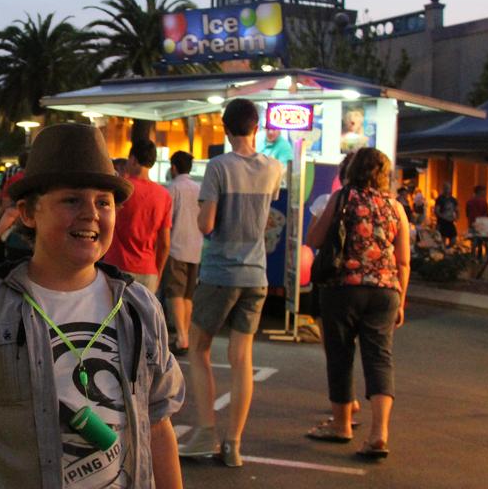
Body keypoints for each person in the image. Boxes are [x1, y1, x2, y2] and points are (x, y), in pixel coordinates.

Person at [0, 122, 184, 489]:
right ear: (28, 213)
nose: (91, 213)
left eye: (103, 202)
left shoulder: (139, 306)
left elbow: (157, 423)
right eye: (72, 199)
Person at [180, 98, 284, 468]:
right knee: (242, 359)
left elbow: (206, 224)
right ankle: (234, 444)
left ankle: (206, 430)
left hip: (221, 271)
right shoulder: (274, 168)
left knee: (199, 347)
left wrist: (201, 212)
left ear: (226, 129)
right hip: (257, 274)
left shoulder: (219, 167)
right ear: (256, 127)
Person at [303, 148, 410, 460]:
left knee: (341, 356)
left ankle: (342, 425)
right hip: (386, 292)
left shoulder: (342, 198)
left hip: (343, 288)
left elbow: (315, 238)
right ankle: (379, 434)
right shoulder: (396, 207)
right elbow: (403, 262)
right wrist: (401, 300)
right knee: (380, 358)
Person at [103, 139, 172, 293]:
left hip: (116, 266)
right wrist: (157, 272)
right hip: (148, 271)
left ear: (133, 159)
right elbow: (165, 243)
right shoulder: (164, 195)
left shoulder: (121, 189)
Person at [162, 151, 201, 356]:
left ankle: (182, 337)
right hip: (196, 248)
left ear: (174, 167)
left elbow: (167, 222)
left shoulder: (173, 189)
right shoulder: (199, 188)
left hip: (176, 246)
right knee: (188, 295)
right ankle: (185, 335)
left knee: (175, 292)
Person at [435, 182, 459, 246]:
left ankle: (448, 249)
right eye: (445, 188)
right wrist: (442, 216)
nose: (447, 189)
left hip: (450, 222)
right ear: (443, 189)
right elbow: (436, 210)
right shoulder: (440, 199)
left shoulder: (453, 199)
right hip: (442, 222)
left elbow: (457, 209)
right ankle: (444, 251)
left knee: (453, 238)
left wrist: (457, 217)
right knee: (442, 239)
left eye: (448, 188)